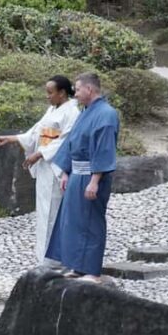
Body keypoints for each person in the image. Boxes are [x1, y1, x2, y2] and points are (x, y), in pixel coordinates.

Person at [0, 76, 80, 264]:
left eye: (50, 93)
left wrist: (39, 154)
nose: (47, 97)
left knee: (53, 211)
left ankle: (53, 260)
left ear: (62, 93)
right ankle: (42, 257)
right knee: (44, 212)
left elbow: (65, 141)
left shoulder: (72, 112)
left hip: (56, 167)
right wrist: (10, 138)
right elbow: (36, 132)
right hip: (46, 167)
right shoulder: (52, 110)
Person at [45, 72, 120, 283]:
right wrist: (65, 172)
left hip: (91, 175)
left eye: (77, 90)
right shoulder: (86, 112)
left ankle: (92, 271)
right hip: (76, 173)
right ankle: (77, 266)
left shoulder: (106, 115)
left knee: (91, 222)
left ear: (89, 89)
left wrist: (95, 181)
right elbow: (71, 143)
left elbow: (103, 150)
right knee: (73, 221)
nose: (75, 94)